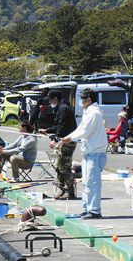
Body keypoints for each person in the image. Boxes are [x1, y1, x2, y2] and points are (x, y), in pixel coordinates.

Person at [61, 88, 108, 219]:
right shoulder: (88, 111)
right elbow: (80, 129)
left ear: (89, 99)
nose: (81, 101)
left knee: (93, 184)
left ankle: (95, 211)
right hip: (88, 153)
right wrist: (67, 137)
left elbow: (85, 132)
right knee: (86, 183)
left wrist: (68, 139)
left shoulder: (94, 113)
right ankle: (87, 208)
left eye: (82, 99)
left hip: (96, 154)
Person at [40, 90, 78, 199]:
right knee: (58, 167)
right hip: (63, 141)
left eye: (51, 100)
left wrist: (55, 139)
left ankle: (70, 192)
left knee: (64, 167)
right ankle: (62, 189)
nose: (50, 103)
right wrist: (47, 130)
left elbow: (61, 127)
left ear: (55, 99)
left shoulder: (63, 108)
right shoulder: (61, 108)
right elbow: (58, 127)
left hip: (67, 142)